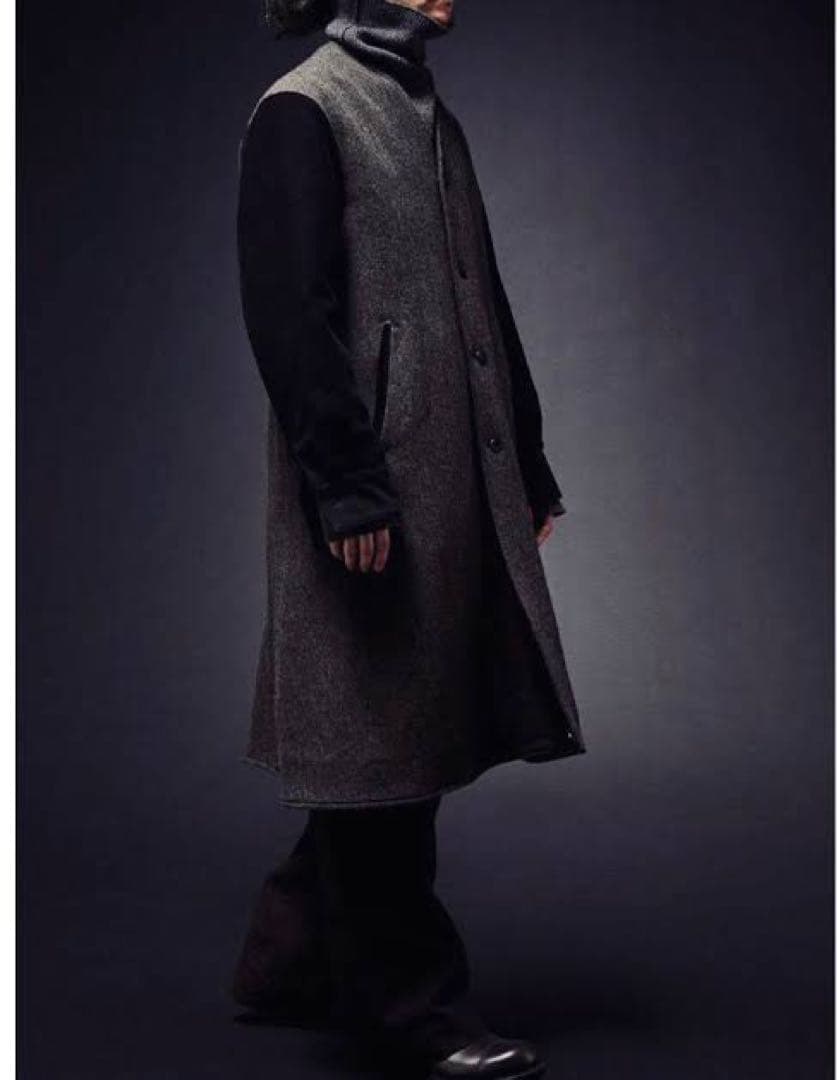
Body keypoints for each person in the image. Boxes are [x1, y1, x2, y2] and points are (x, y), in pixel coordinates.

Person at [230, 1, 586, 1077]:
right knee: (376, 738)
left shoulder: (425, 109)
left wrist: (525, 461)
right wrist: (346, 488)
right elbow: (289, 314)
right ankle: (415, 1008)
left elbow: (483, 303)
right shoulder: (302, 109)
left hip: (445, 476)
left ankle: (286, 960)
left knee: (389, 735)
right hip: (371, 482)